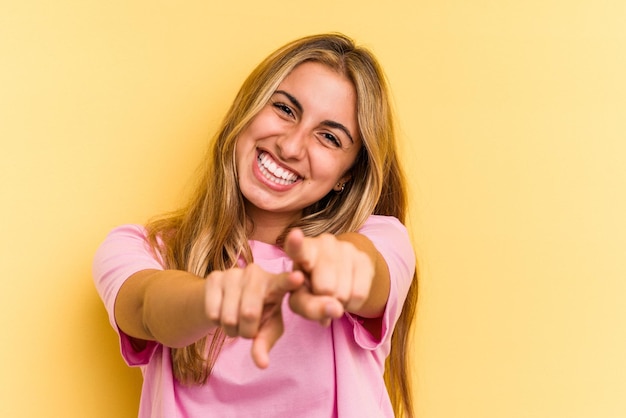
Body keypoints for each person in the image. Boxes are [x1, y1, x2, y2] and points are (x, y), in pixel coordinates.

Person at [93, 33, 418, 418]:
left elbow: (370, 270)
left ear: (348, 175)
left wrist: (342, 267)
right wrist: (212, 299)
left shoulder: (382, 239)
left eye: (329, 137)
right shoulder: (142, 249)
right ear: (246, 111)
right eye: (284, 109)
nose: (292, 146)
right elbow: (147, 306)